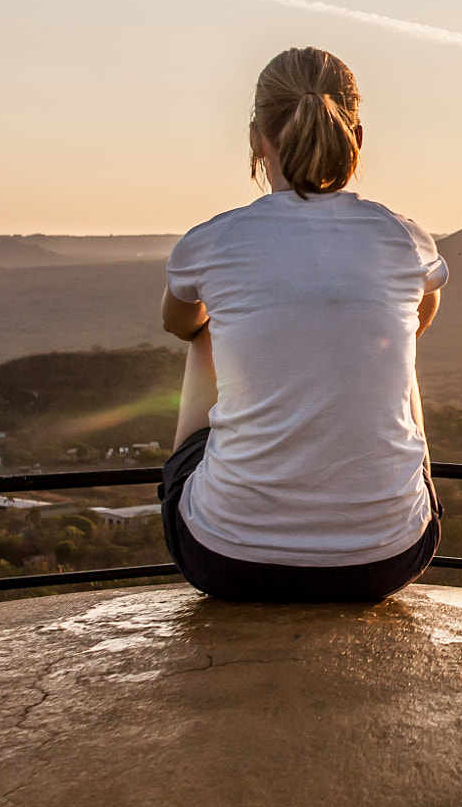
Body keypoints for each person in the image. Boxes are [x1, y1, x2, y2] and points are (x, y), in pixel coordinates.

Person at [156, 47, 447, 603]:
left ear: (255, 138)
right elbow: (422, 316)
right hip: (387, 558)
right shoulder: (404, 239)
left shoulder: (212, 242)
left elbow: (178, 324)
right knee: (396, 334)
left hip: (226, 558)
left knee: (208, 333)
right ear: (356, 137)